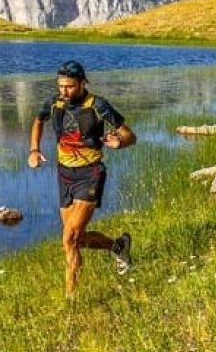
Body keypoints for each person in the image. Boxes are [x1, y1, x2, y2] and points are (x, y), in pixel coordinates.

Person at [28, 60, 136, 299]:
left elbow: (130, 136)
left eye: (69, 86)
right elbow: (38, 121)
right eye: (60, 86)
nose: (63, 91)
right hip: (64, 174)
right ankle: (118, 246)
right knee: (76, 239)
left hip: (91, 173)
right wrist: (34, 150)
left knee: (69, 237)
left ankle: (71, 298)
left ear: (81, 83)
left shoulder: (98, 105)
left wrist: (120, 142)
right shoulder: (54, 102)